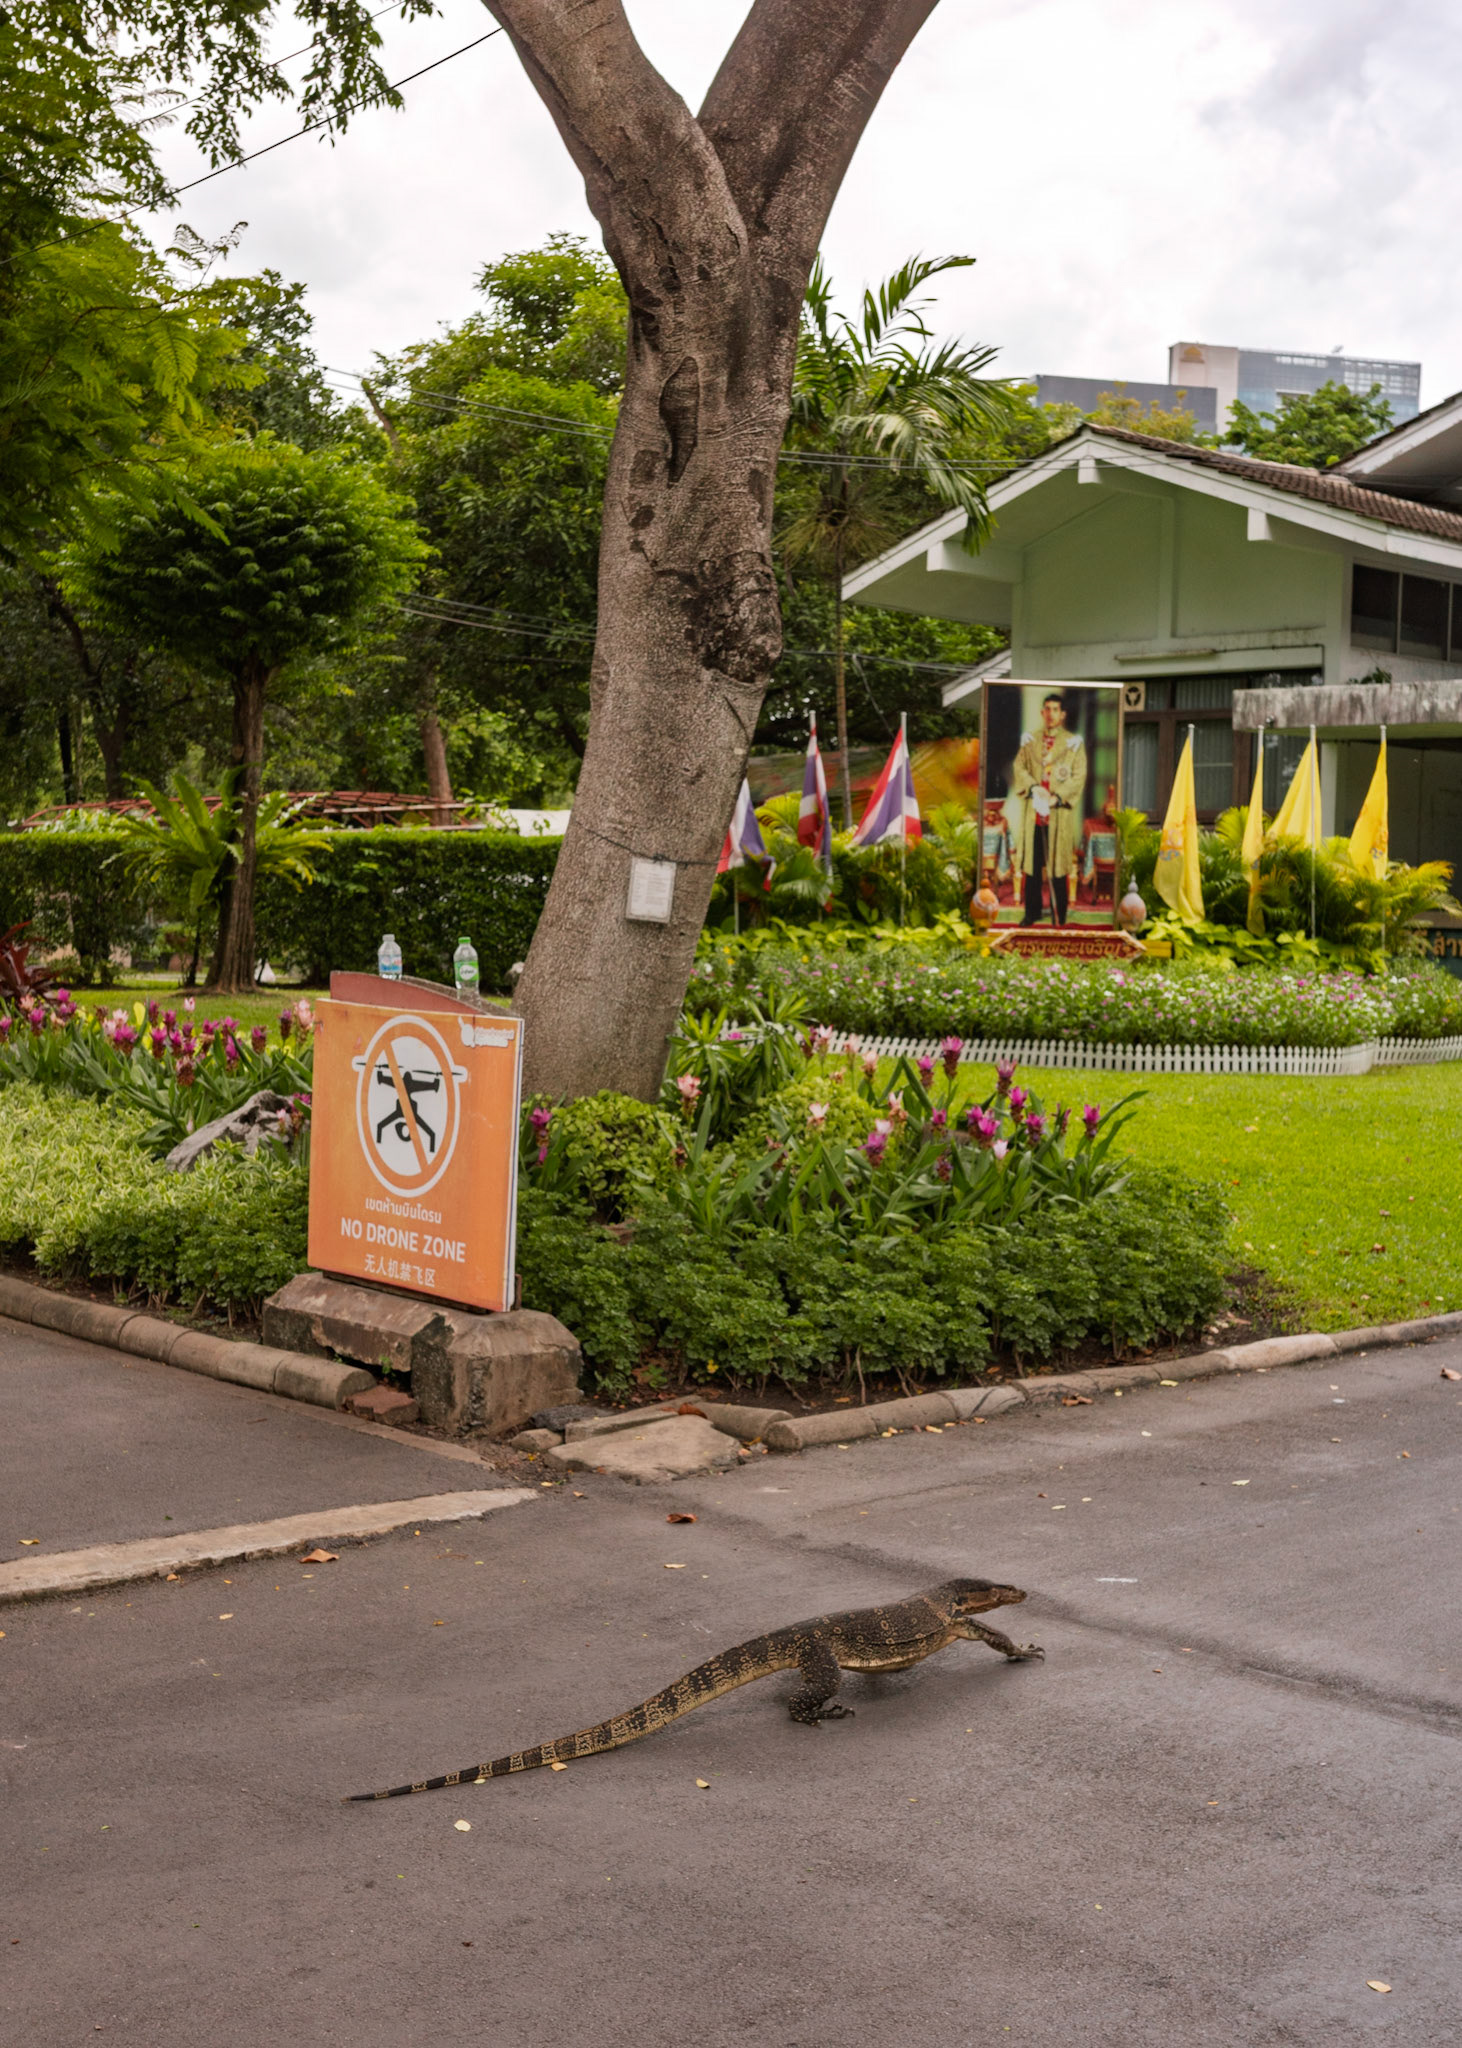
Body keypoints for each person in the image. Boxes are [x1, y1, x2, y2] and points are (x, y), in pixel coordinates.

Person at [1010, 692, 1087, 925]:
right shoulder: (1030, 741)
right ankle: (1032, 913)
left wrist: (1057, 797)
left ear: (1062, 714)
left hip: (1057, 814)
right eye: (1047, 709)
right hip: (1034, 813)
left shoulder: (1073, 744)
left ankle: (1058, 914)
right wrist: (1033, 787)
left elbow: (1078, 776)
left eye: (1056, 709)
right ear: (1042, 713)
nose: (1051, 714)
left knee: (1057, 865)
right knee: (1032, 866)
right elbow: (1019, 767)